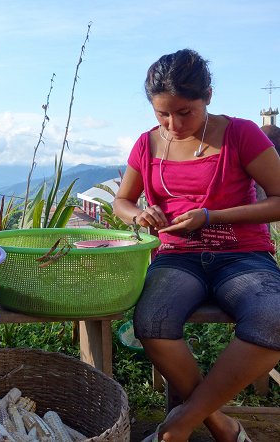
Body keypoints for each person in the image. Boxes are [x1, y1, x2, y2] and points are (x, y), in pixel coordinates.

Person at [113, 49, 280, 442]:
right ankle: (220, 423)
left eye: (185, 112)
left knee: (273, 317)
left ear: (208, 95)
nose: (173, 124)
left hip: (242, 256)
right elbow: (122, 201)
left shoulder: (241, 133)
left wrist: (212, 217)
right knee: (152, 323)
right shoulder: (147, 144)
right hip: (176, 257)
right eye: (162, 114)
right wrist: (139, 215)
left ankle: (177, 427)